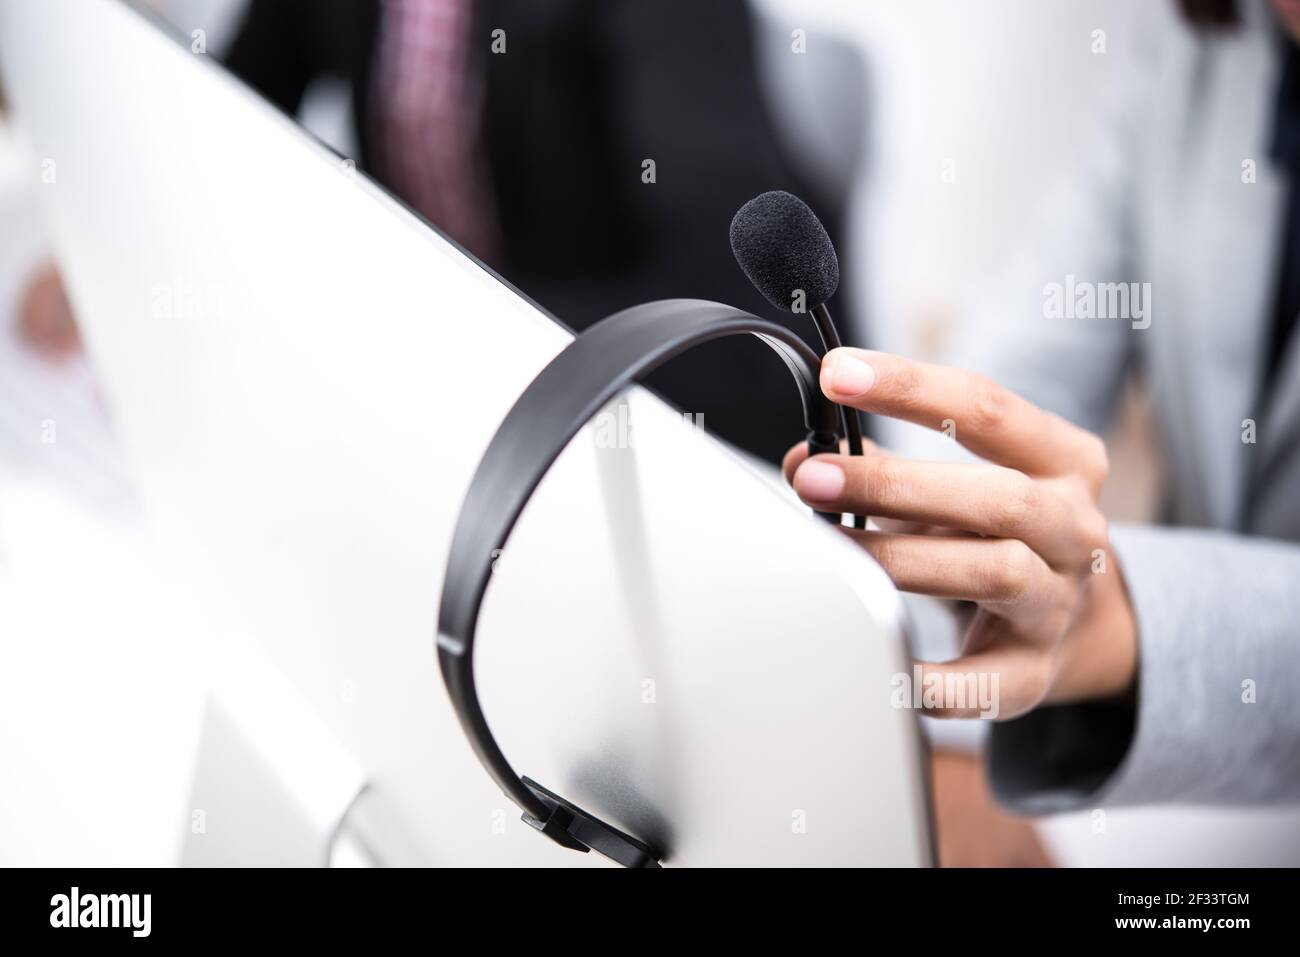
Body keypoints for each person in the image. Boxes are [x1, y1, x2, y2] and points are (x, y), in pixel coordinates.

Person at [783, 0, 1300, 809]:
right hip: (1178, 784)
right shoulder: (1203, 46)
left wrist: (1131, 622)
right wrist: (944, 524)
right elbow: (1027, 356)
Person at [219, 0, 849, 465]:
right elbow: (221, 120)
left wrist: (430, 334)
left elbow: (742, 325)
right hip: (439, 418)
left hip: (642, 435)